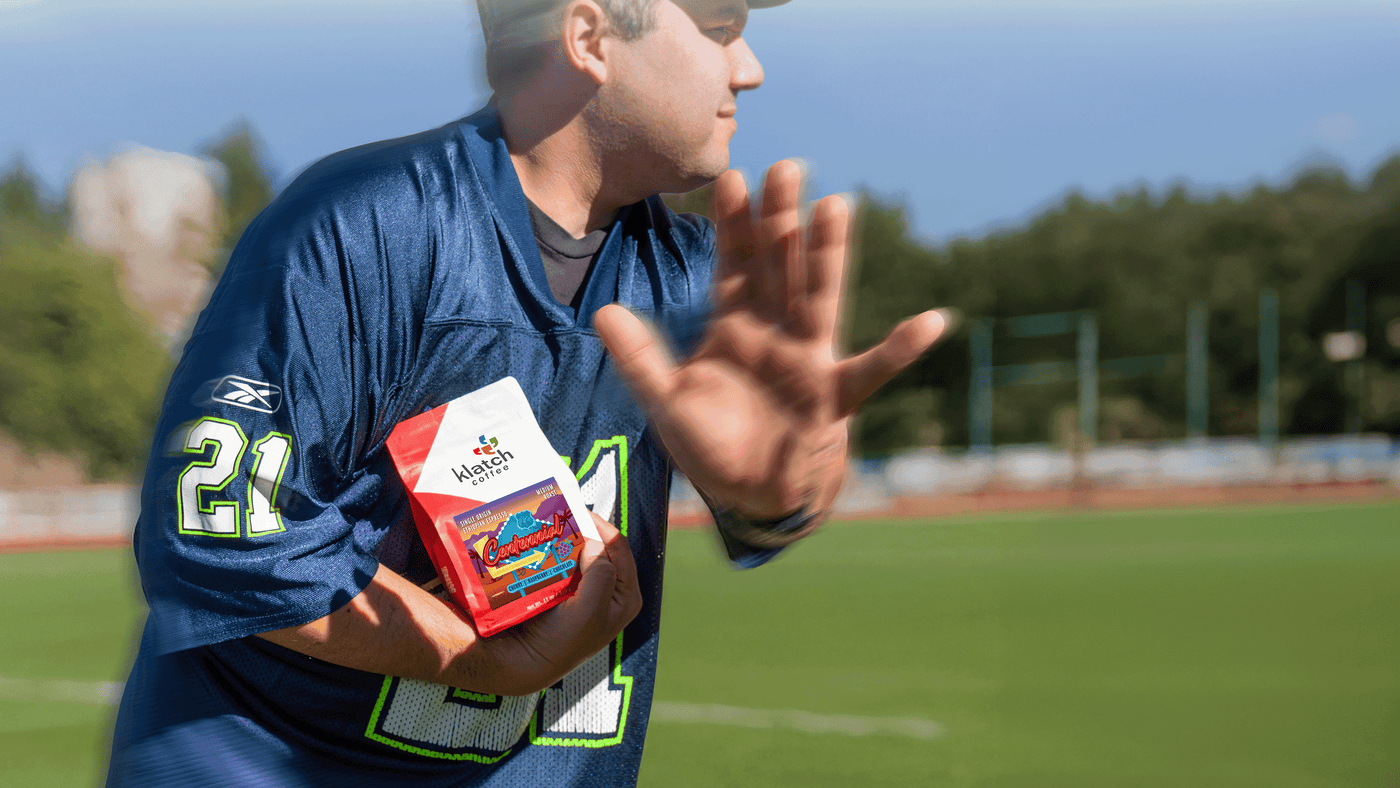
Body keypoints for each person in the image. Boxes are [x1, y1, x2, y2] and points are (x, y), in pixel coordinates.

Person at [104, 0, 950, 785]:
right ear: (588, 37)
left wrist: (779, 483)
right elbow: (212, 535)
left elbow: (783, 498)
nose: (749, 67)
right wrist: (477, 659)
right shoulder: (364, 226)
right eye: (720, 27)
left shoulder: (697, 279)